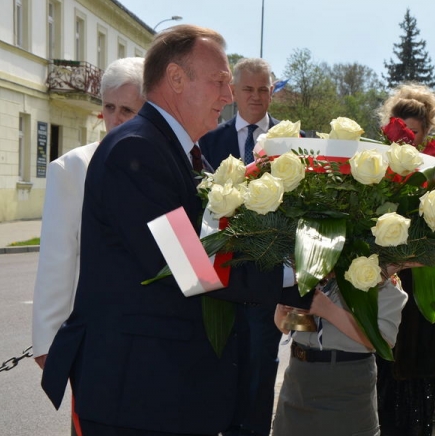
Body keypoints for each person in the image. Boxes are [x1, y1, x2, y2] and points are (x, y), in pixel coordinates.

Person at [40, 25, 286, 436]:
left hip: (164, 395)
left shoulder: (183, 154)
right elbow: (191, 266)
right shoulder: (136, 149)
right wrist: (297, 277)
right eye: (220, 82)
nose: (228, 97)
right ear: (176, 78)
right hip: (138, 400)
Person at [32, 56, 145, 371]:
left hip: (153, 335)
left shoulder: (161, 166)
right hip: (96, 334)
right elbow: (57, 257)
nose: (116, 118)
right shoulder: (72, 167)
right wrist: (48, 340)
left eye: (127, 110)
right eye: (110, 108)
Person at [199, 57, 293, 436]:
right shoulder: (208, 139)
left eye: (263, 89)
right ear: (233, 92)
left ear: (272, 92)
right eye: (248, 89)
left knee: (260, 367)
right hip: (220, 274)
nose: (256, 96)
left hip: (267, 276)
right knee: (219, 362)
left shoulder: (292, 147)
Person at [375, 83, 435, 435]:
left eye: (413, 132)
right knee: (382, 380)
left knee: (415, 387)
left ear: (426, 130)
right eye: (397, 130)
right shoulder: (371, 164)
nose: (404, 140)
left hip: (422, 286)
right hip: (382, 283)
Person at [272, 278, 408, 436]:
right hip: (297, 383)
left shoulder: (378, 282)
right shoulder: (312, 275)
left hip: (344, 387)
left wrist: (328, 310)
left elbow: (382, 340)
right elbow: (287, 328)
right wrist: (284, 311)